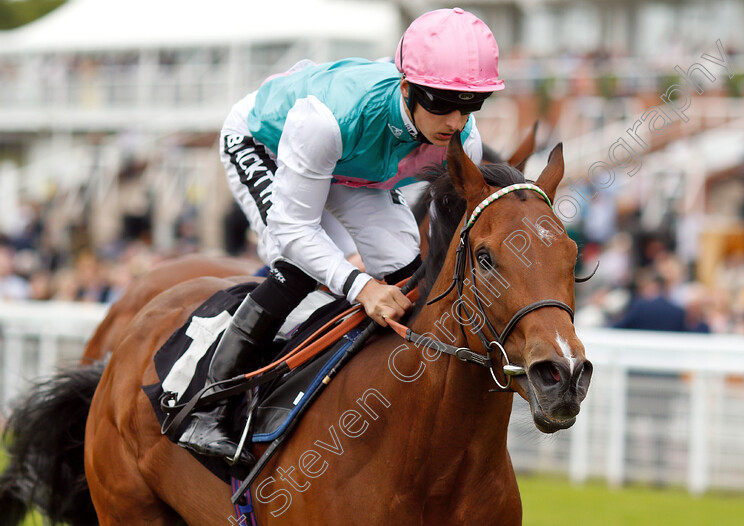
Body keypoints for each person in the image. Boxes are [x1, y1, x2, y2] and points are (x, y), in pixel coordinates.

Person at [177, 8, 504, 462]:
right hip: (268, 143)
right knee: (300, 266)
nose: (455, 120)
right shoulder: (326, 120)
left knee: (406, 266)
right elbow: (295, 230)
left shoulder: (462, 139)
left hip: (351, 170)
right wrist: (362, 286)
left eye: (470, 104)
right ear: (407, 88)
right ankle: (207, 408)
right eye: (441, 102)